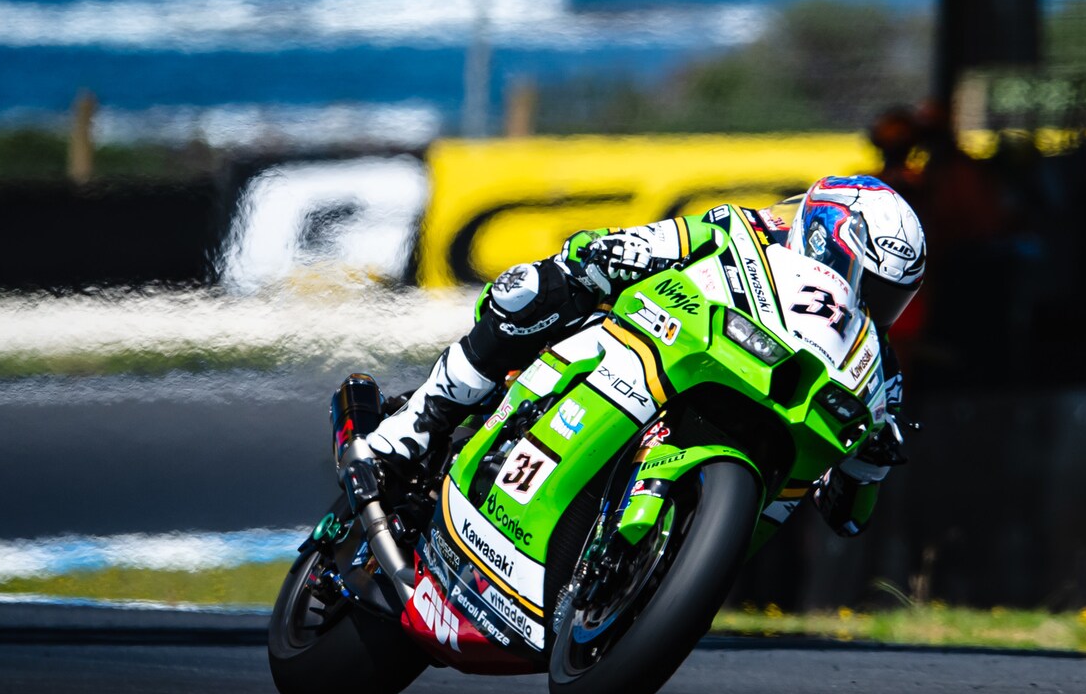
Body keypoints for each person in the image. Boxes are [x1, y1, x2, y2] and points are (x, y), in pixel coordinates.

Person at [360, 174, 927, 536]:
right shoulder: (747, 230)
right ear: (825, 237)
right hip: (663, 345)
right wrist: (615, 252)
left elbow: (848, 517)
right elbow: (661, 241)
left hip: (748, 438)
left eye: (889, 298)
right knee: (535, 290)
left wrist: (869, 467)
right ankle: (413, 431)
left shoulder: (877, 372)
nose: (868, 304)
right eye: (867, 283)